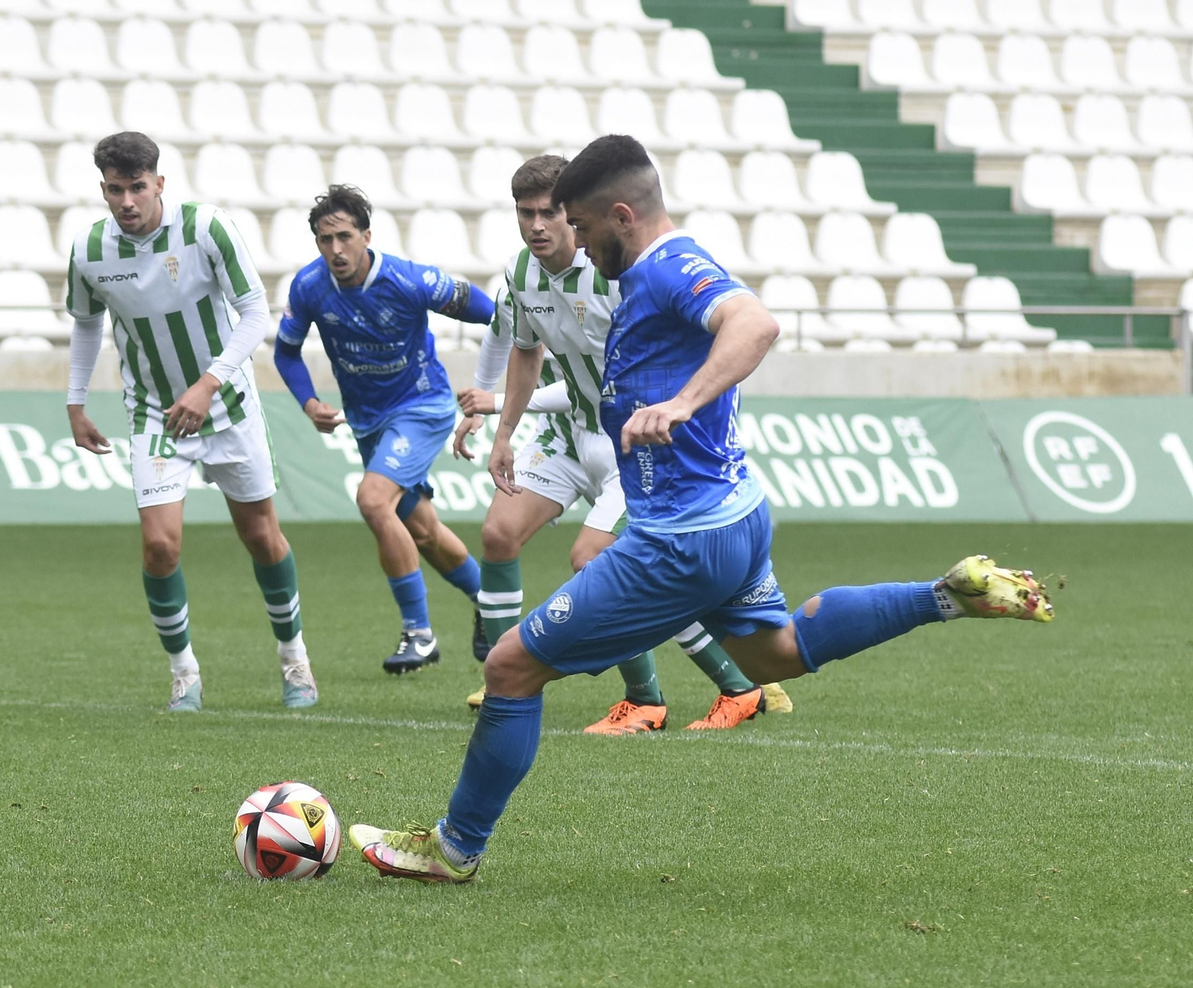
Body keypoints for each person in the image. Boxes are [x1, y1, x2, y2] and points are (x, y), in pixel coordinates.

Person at [348, 134, 1055, 882]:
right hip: (734, 515)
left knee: (511, 667)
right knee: (774, 654)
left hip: (679, 537)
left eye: (582, 226)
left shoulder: (665, 266)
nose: (576, 242)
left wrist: (682, 402)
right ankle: (943, 596)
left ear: (622, 217)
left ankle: (454, 848)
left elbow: (756, 324)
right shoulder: (646, 270)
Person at [452, 154, 792, 733]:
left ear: (575, 214)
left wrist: (686, 407)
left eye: (550, 213)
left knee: (600, 561)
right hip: (567, 437)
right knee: (498, 534)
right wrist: (502, 431)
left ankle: (660, 696)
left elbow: (682, 354)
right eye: (525, 213)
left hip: (627, 447)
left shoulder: (615, 273)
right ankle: (503, 678)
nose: (537, 225)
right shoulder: (521, 274)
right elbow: (524, 350)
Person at [64, 131, 317, 713]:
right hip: (155, 412)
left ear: (159, 183)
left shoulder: (206, 227)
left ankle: (294, 659)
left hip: (227, 405)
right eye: (114, 190)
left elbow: (254, 313)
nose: (127, 201)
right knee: (159, 546)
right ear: (103, 189)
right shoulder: (89, 249)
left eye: (137, 187)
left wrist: (208, 384)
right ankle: (184, 674)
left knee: (262, 538)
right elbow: (86, 324)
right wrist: (76, 403)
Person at [273, 185, 496, 674]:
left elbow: (495, 317)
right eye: (325, 239)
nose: (336, 249)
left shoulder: (409, 280)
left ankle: (419, 634)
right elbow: (285, 353)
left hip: (422, 406)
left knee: (373, 501)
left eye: (345, 237)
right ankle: (490, 602)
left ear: (367, 236)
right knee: (423, 531)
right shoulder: (308, 287)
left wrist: (496, 382)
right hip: (368, 419)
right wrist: (309, 403)